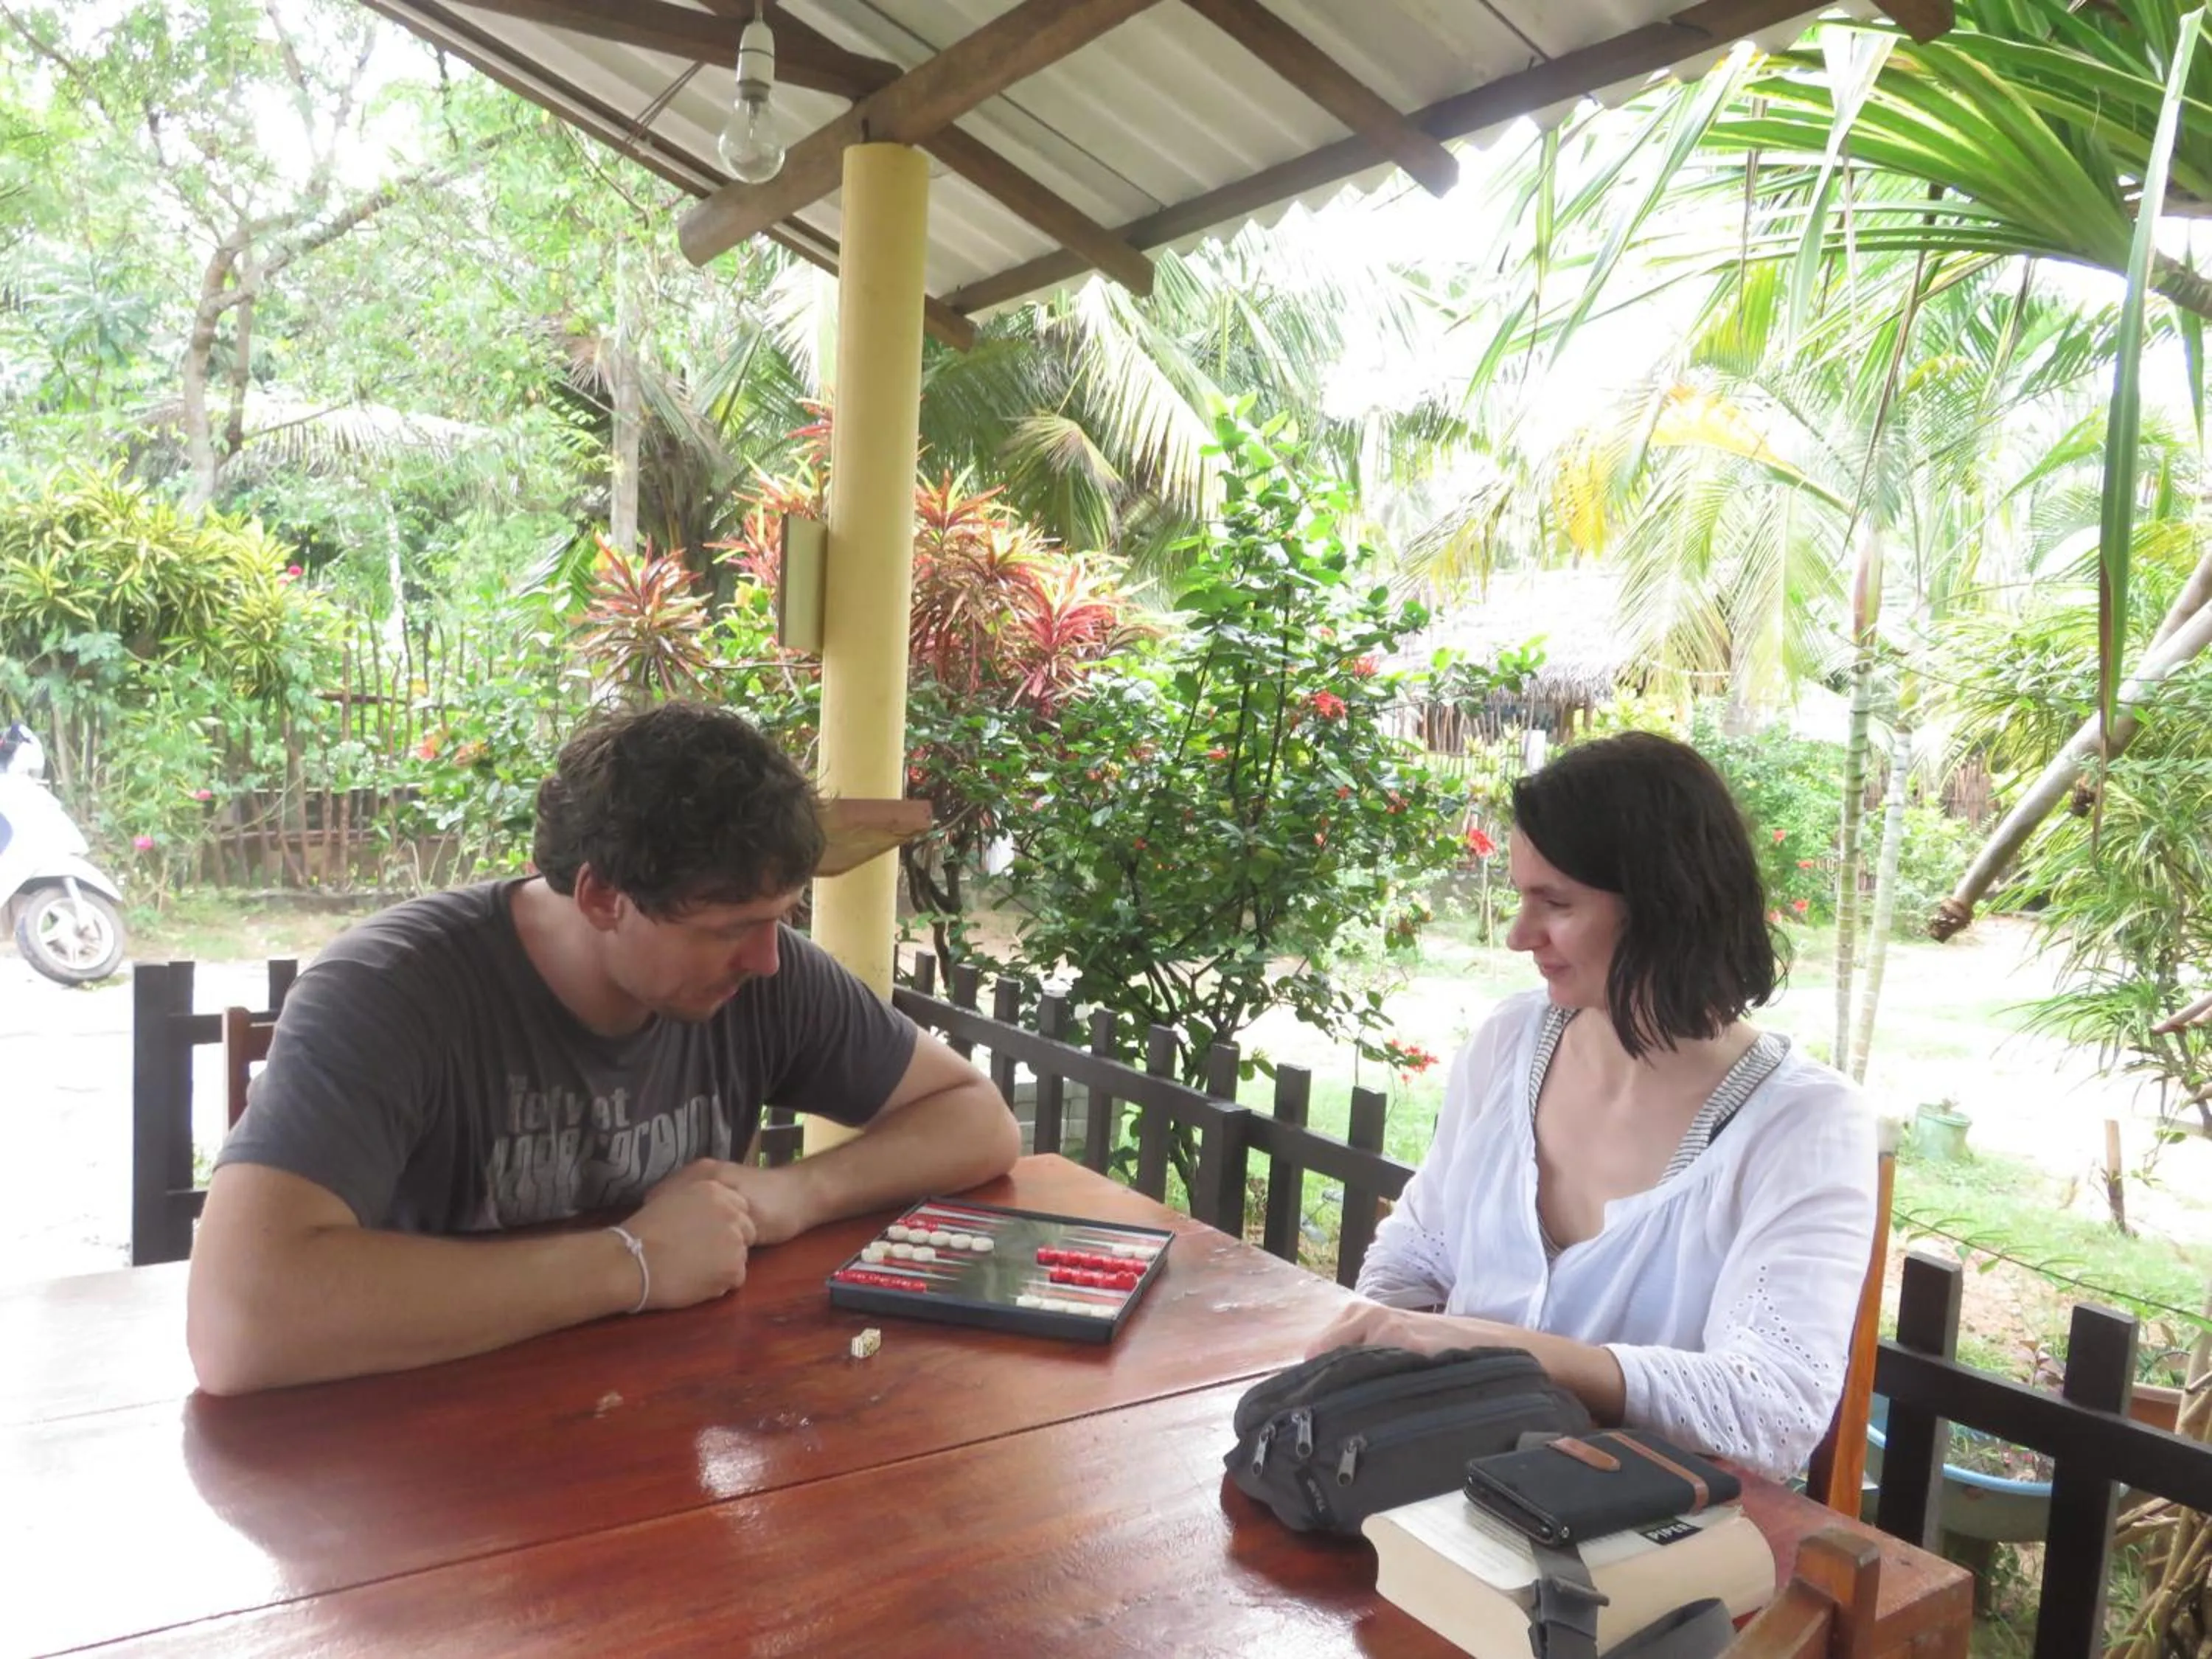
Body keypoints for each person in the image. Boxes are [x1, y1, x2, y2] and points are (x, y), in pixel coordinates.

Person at [188, 702, 1021, 1395]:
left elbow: (976, 1120)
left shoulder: (767, 976)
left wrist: (797, 1196)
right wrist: (633, 1264)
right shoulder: (390, 993)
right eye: (730, 928)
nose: (766, 959)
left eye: (781, 919)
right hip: (423, 1458)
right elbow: (240, 1321)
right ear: (600, 897)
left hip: (649, 1427)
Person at [1310, 731, 1877, 1478]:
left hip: (1641, 1542)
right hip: (1445, 1493)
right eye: (1521, 897)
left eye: (1557, 903)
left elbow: (1772, 1411)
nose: (1519, 935)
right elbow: (1421, 1249)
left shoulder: (1803, 1124)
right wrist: (1380, 1352)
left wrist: (1493, 1350)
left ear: (1666, 904)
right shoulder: (1511, 1042)